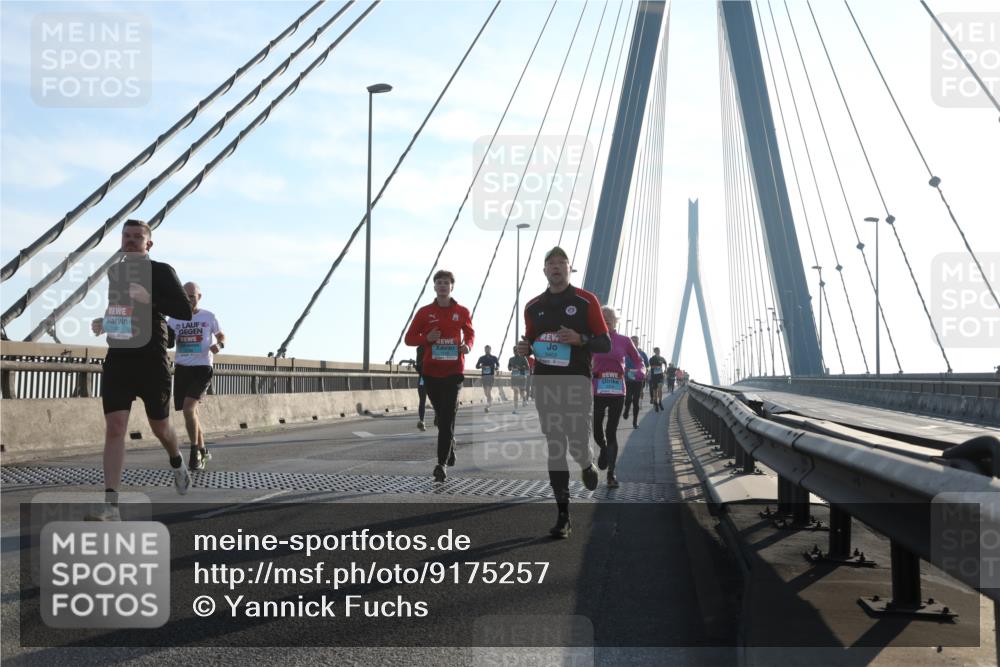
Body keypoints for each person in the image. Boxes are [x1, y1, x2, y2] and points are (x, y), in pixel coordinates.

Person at [88, 219, 194, 520]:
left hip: (152, 359)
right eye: (127, 236)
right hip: (120, 357)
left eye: (138, 237)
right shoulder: (116, 272)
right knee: (115, 428)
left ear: (149, 244)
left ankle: (176, 461)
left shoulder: (162, 271)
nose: (131, 240)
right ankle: (111, 505)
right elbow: (122, 310)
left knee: (160, 427)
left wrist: (151, 299)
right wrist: (105, 322)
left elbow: (184, 311)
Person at [516, 247, 610, 539]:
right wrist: (523, 349)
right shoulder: (532, 306)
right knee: (555, 442)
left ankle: (585, 463)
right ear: (544, 271)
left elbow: (604, 343)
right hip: (545, 382)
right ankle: (563, 515)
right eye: (551, 264)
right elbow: (531, 342)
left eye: (561, 263)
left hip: (576, 381)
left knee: (577, 441)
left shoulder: (586, 301)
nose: (556, 268)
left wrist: (581, 339)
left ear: (570, 269)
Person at [405, 269, 475, 483]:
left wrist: (467, 346)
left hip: (454, 372)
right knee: (441, 417)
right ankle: (450, 442)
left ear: (452, 287)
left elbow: (470, 333)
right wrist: (426, 338)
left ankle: (441, 464)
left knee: (446, 419)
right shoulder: (424, 312)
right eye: (439, 282)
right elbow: (409, 339)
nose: (443, 286)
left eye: (446, 282)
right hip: (431, 372)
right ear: (434, 287)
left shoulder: (462, 311)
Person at [167, 282, 225, 471]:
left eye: (192, 296)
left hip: (202, 368)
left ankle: (194, 453)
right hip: (183, 368)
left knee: (188, 409)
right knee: (193, 413)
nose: (188, 299)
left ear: (199, 297)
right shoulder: (174, 318)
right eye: (185, 295)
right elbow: (166, 340)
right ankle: (202, 448)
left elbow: (221, 335)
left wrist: (219, 345)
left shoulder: (209, 316)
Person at [592, 306, 643, 489]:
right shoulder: (593, 339)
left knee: (611, 431)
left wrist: (640, 372)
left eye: (610, 317)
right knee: (597, 429)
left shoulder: (624, 340)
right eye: (602, 316)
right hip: (598, 389)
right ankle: (603, 449)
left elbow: (639, 361)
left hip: (617, 391)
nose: (606, 319)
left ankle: (611, 474)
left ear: (616, 321)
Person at [622, 335, 648, 428]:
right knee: (628, 398)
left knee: (636, 401)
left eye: (635, 341)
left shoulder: (642, 354)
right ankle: (626, 409)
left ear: (638, 343)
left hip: (638, 380)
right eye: (632, 341)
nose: (633, 343)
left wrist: (644, 373)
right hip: (627, 379)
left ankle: (635, 421)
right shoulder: (625, 352)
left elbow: (647, 366)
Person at [475, 345, 500, 413]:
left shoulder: (494, 357)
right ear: (484, 350)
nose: (487, 350)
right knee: (486, 393)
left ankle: (487, 406)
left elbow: (498, 365)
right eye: (486, 349)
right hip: (484, 376)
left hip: (491, 376)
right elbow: (476, 366)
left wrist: (496, 368)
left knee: (488, 391)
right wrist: (481, 366)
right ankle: (491, 399)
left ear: (490, 350)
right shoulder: (482, 358)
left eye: (488, 349)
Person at [508, 346, 529, 414]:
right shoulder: (511, 359)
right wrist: (511, 367)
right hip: (514, 377)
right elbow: (508, 367)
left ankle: (524, 398)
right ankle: (515, 408)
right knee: (515, 392)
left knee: (521, 392)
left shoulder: (523, 358)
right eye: (514, 350)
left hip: (522, 377)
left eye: (517, 350)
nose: (515, 352)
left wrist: (520, 368)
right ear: (513, 351)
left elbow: (527, 367)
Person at [415, 346, 428, 431]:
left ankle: (422, 421)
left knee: (422, 400)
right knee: (437, 399)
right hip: (434, 376)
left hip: (423, 377)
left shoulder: (420, 348)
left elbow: (418, 366)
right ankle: (437, 417)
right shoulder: (436, 346)